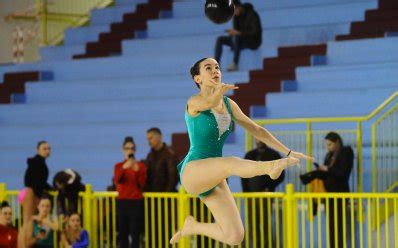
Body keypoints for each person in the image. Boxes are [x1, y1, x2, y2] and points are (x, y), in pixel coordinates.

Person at [169, 57, 312, 245]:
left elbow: (257, 130)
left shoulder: (228, 105)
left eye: (217, 67)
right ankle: (270, 167)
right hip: (193, 170)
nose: (215, 70)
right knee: (231, 163)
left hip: (215, 172)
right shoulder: (194, 102)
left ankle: (193, 227)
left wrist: (288, 152)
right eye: (208, 68)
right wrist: (218, 92)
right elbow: (210, 103)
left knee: (234, 236)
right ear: (198, 79)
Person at [300, 132, 353, 248]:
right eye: (327, 145)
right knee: (331, 225)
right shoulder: (329, 155)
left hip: (340, 195)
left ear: (337, 142)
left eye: (330, 144)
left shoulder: (346, 152)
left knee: (339, 225)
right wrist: (312, 175)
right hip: (328, 195)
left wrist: (328, 169)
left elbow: (343, 173)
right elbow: (325, 173)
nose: (327, 147)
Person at [241, 139, 284, 247]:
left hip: (266, 195)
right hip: (250, 196)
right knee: (252, 223)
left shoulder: (274, 155)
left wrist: (269, 187)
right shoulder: (249, 155)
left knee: (265, 222)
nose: (259, 140)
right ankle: (256, 245)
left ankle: (265, 245)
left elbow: (281, 174)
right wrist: (246, 192)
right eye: (256, 137)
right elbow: (242, 174)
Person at [114, 137, 147, 248]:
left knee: (135, 233)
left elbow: (142, 184)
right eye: (127, 148)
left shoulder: (141, 166)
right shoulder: (118, 166)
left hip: (135, 203)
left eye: (132, 148)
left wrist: (137, 171)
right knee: (123, 233)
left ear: (135, 150)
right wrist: (124, 168)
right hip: (122, 202)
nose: (130, 151)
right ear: (123, 150)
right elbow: (117, 179)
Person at [214, 0, 262, 71]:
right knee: (220, 39)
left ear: (239, 7)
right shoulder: (236, 17)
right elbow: (236, 31)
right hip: (240, 40)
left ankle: (235, 63)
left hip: (253, 41)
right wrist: (232, 33)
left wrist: (239, 33)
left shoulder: (252, 14)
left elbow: (255, 32)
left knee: (236, 38)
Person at [145, 127, 179, 193]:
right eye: (148, 139)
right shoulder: (150, 156)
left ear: (159, 137)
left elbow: (173, 177)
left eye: (151, 138)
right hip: (153, 196)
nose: (149, 141)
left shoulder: (170, 155)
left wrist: (166, 194)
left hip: (166, 197)